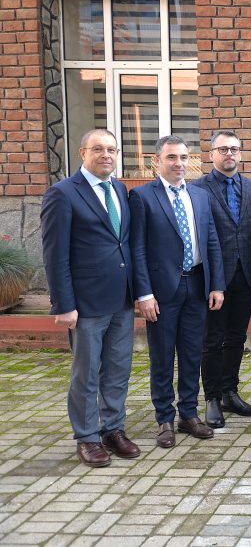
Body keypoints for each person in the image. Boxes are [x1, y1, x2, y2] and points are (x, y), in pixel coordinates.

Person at [41, 129, 139, 467]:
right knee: (87, 373)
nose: (106, 155)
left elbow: (122, 244)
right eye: (98, 149)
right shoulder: (63, 193)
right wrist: (63, 304)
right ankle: (86, 436)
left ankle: (112, 428)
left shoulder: (120, 190)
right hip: (85, 303)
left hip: (121, 299)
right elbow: (55, 255)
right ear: (83, 152)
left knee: (118, 369)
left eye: (112, 149)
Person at [130, 135, 225, 448]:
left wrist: (216, 284)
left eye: (184, 157)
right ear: (157, 161)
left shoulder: (199, 195)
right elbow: (138, 249)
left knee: (191, 353)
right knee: (162, 357)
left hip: (196, 285)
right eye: (172, 157)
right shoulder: (143, 197)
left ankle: (188, 414)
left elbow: (211, 241)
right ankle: (164, 419)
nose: (179, 163)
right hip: (161, 291)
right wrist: (144, 294)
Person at [192, 130, 251, 428]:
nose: (229, 154)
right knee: (212, 340)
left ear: (241, 153)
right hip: (213, 279)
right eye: (223, 150)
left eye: (234, 149)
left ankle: (229, 392)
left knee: (236, 337)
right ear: (211, 155)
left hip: (245, 274)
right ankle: (211, 398)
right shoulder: (197, 189)